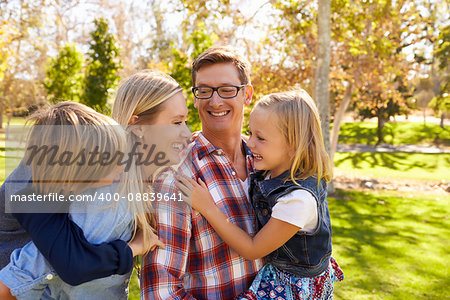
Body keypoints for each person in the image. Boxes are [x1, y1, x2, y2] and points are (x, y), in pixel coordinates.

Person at [0, 70, 190, 296]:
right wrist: (132, 248)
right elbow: (71, 265)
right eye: (177, 122)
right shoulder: (42, 190)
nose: (187, 133)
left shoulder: (99, 152)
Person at [176, 90, 344, 300]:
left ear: (293, 146)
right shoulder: (276, 169)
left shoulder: (297, 200)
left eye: (260, 137)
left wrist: (208, 207)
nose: (250, 143)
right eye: (251, 133)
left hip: (293, 290)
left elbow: (252, 249)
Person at [141, 47, 262, 299]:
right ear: (195, 97)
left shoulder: (265, 161)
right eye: (204, 90)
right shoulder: (176, 177)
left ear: (247, 94)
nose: (215, 101)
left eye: (227, 90)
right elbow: (161, 292)